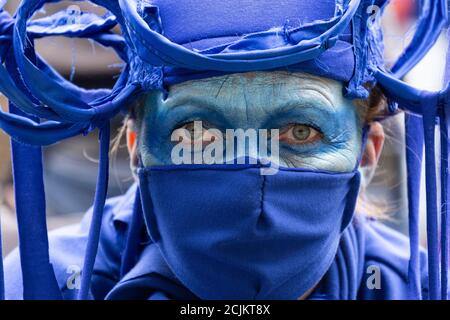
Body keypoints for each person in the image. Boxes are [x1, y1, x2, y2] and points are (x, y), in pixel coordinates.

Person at [0, 0, 448, 300]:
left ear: (366, 154)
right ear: (138, 149)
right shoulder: (46, 285)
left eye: (300, 131)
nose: (249, 169)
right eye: (196, 131)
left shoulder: (419, 288)